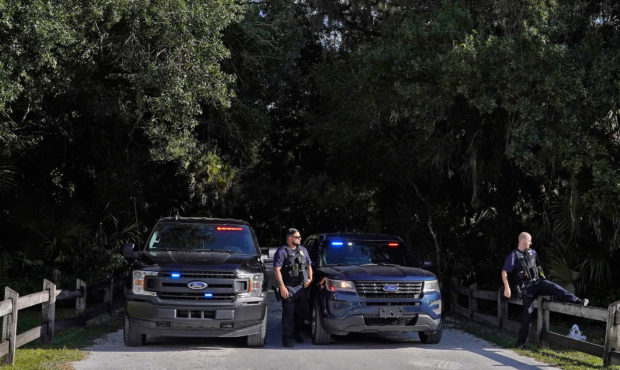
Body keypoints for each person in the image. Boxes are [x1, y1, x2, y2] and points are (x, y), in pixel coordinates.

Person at [501, 232, 589, 348]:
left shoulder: (533, 252)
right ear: (523, 241)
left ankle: (578, 301)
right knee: (527, 315)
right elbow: (504, 271)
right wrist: (507, 287)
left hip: (539, 283)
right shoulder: (514, 255)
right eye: (529, 241)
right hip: (527, 288)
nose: (531, 243)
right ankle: (520, 344)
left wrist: (544, 280)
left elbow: (538, 267)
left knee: (557, 288)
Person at [273, 228, 313, 347]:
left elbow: (309, 265)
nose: (300, 239)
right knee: (288, 315)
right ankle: (287, 338)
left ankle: (297, 333)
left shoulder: (303, 250)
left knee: (300, 315)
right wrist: (282, 286)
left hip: (302, 287)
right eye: (297, 237)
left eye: (300, 237)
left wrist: (310, 279)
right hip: (289, 287)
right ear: (290, 238)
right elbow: (276, 269)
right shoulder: (282, 251)